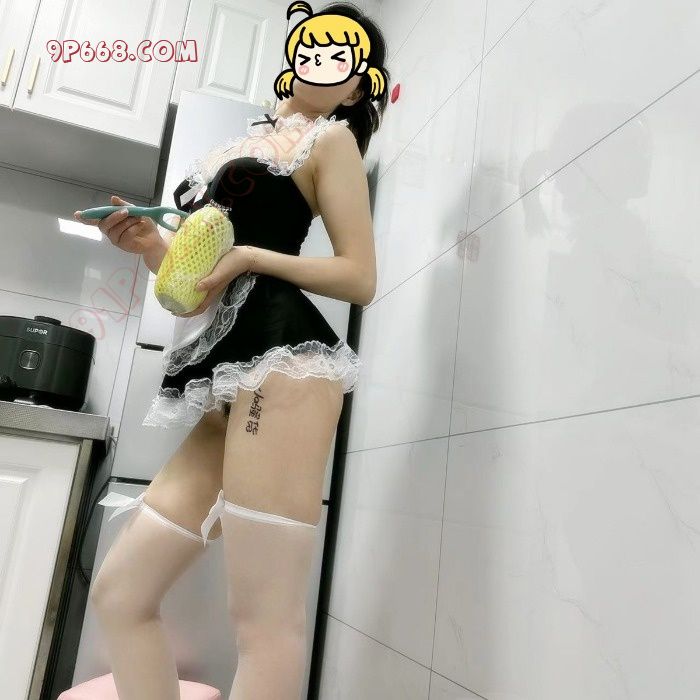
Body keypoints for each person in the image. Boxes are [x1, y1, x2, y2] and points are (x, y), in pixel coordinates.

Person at [72, 2, 388, 698]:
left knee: (264, 625)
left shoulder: (330, 142)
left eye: (339, 56)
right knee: (120, 594)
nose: (318, 60)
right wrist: (151, 246)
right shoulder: (239, 146)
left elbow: (360, 277)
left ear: (356, 85)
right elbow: (191, 294)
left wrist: (250, 255)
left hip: (287, 365)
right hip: (225, 376)